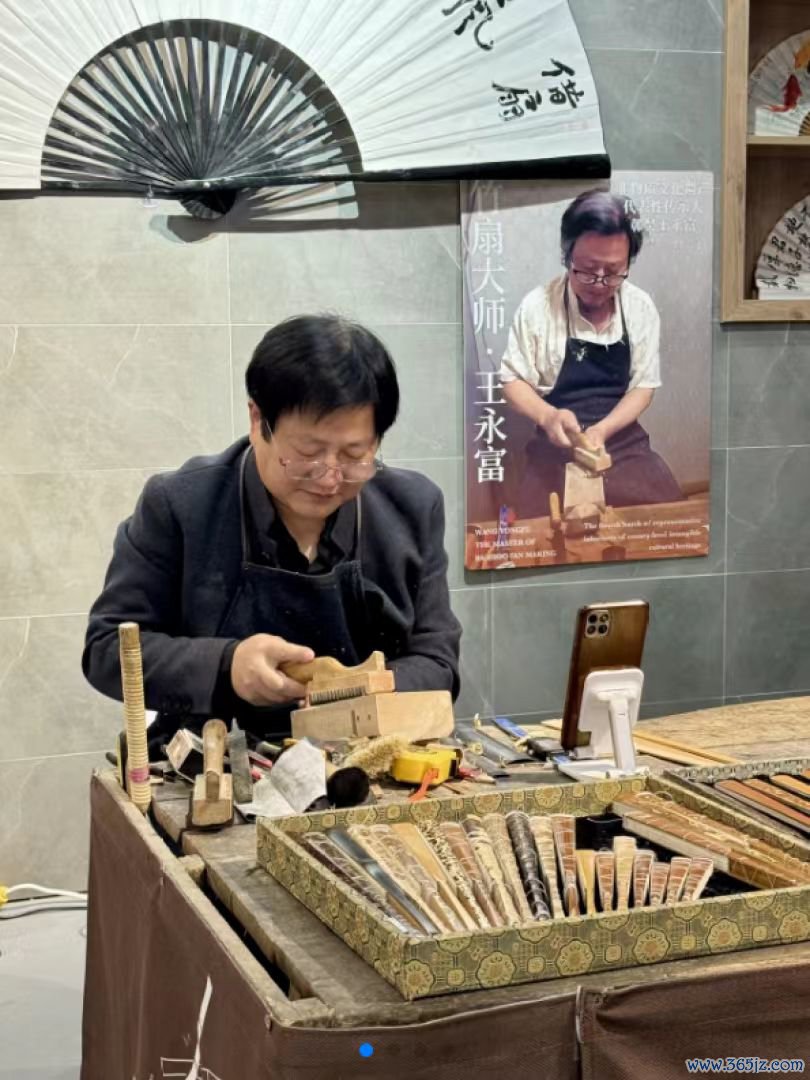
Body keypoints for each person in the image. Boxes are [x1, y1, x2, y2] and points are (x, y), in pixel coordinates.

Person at [83, 314, 461, 748]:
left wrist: (360, 691)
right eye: (307, 452)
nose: (329, 476)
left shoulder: (411, 507)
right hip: (217, 758)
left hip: (366, 758)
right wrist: (227, 666)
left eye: (354, 454)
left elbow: (437, 661)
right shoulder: (180, 505)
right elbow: (106, 650)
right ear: (257, 418)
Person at [499, 189, 683, 515]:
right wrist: (548, 416)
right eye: (587, 268)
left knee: (668, 519)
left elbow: (643, 386)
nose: (599, 283)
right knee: (538, 527)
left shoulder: (640, 307)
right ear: (567, 255)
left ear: (628, 263)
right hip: (555, 447)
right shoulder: (537, 306)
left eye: (612, 272)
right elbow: (512, 380)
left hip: (622, 443)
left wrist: (602, 430)